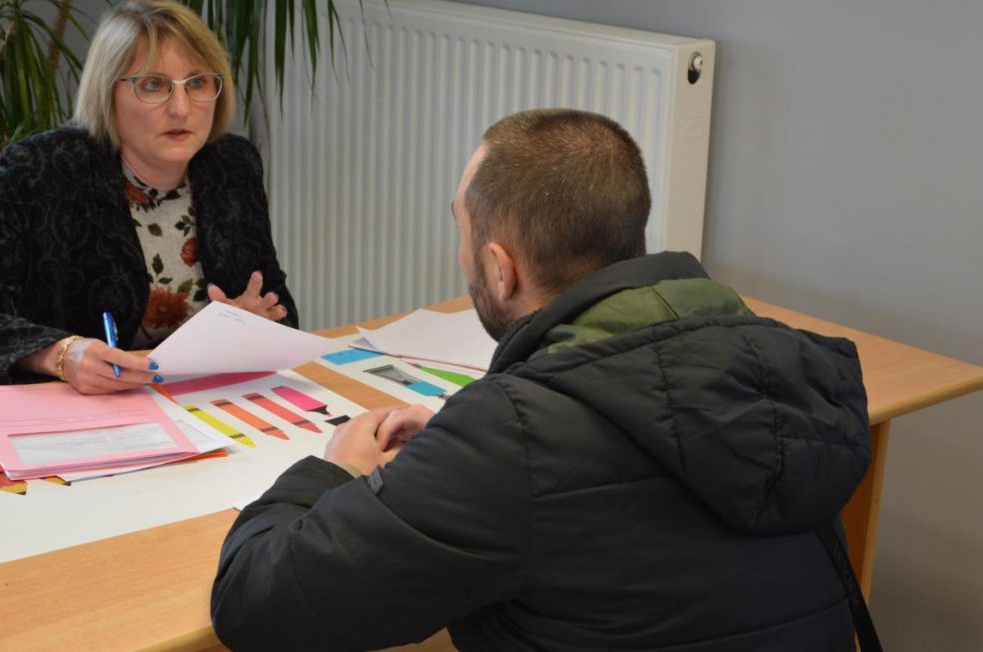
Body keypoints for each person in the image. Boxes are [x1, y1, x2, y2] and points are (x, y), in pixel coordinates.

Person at [211, 109, 873, 650]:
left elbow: (255, 602)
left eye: (464, 233)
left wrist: (335, 472)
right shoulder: (773, 361)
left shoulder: (511, 440)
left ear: (501, 269)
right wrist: (460, 445)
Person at [0, 0, 296, 394]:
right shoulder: (43, 169)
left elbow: (281, 309)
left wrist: (251, 323)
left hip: (200, 401)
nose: (181, 109)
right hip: (77, 411)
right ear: (107, 92)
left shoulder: (232, 164)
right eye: (153, 85)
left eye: (197, 83)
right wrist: (59, 353)